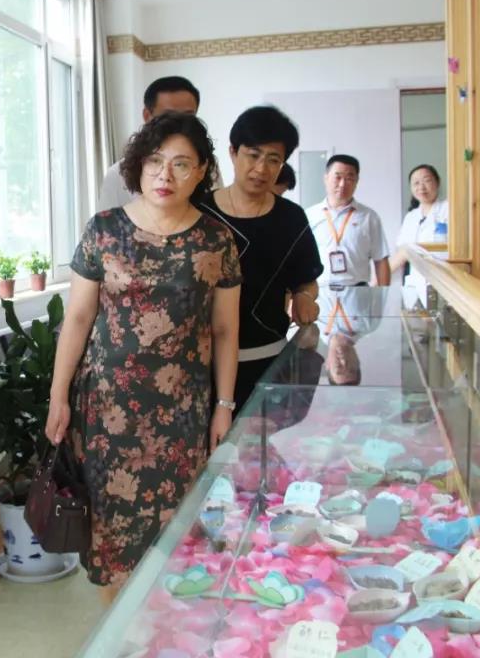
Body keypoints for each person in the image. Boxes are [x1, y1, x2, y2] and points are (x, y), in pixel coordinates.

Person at [45, 112, 241, 601]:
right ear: (138, 165)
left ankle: (171, 628)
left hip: (182, 414)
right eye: (155, 161)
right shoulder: (104, 230)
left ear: (202, 171)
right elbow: (78, 319)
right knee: (110, 536)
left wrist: (223, 406)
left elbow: (224, 331)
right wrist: (58, 396)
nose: (164, 174)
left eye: (181, 163)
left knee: (179, 533)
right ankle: (118, 631)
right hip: (107, 412)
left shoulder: (216, 240)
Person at [195, 106, 323, 412]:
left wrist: (305, 296)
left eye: (274, 160)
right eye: (253, 155)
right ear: (233, 153)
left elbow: (306, 280)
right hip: (203, 364)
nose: (262, 169)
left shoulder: (291, 218)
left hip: (268, 360)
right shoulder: (199, 212)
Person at [97, 76, 200, 210]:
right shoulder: (117, 175)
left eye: (188, 117)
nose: (179, 125)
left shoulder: (204, 167)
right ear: (147, 116)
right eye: (168, 116)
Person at [305, 154, 391, 287]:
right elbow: (300, 258)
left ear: (357, 181)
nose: (342, 184)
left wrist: (383, 295)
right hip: (320, 289)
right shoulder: (310, 215)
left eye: (349, 178)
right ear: (326, 178)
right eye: (337, 177)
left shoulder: (369, 217)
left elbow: (381, 260)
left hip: (358, 289)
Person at [390, 163, 449, 276]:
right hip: (415, 277)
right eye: (416, 183)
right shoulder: (411, 217)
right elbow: (403, 250)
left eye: (427, 181)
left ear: (437, 182)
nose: (421, 187)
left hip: (442, 274)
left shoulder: (448, 209)